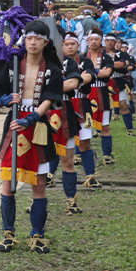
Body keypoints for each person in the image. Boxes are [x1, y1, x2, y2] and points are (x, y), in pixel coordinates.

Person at [0, 20, 63, 254]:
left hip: (37, 127)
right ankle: (8, 233)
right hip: (13, 126)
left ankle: (37, 235)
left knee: (39, 184)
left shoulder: (53, 68)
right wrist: (3, 100)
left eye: (38, 38)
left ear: (45, 42)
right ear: (24, 40)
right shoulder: (12, 66)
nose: (33, 42)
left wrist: (31, 119)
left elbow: (50, 98)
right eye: (29, 38)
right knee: (8, 183)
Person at [57, 32, 97, 205]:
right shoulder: (55, 62)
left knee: (85, 142)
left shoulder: (85, 61)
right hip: (61, 105)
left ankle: (90, 175)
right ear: (62, 46)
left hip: (81, 103)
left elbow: (87, 77)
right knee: (56, 145)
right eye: (67, 44)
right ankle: (50, 175)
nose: (70, 47)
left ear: (78, 46)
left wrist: (73, 80)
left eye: (73, 44)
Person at [81, 30, 116, 169]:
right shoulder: (83, 57)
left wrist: (90, 72)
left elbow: (107, 72)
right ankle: (79, 154)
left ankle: (107, 154)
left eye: (96, 39)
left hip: (101, 92)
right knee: (83, 125)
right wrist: (97, 72)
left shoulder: (106, 58)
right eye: (91, 39)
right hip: (86, 92)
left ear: (100, 41)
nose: (94, 42)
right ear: (88, 41)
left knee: (105, 126)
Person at [107, 34, 136, 136]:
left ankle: (130, 129)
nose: (110, 43)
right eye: (108, 40)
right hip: (105, 81)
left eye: (112, 41)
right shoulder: (101, 54)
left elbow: (126, 65)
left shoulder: (122, 54)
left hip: (119, 80)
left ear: (116, 43)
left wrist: (109, 65)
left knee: (123, 105)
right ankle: (99, 130)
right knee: (105, 106)